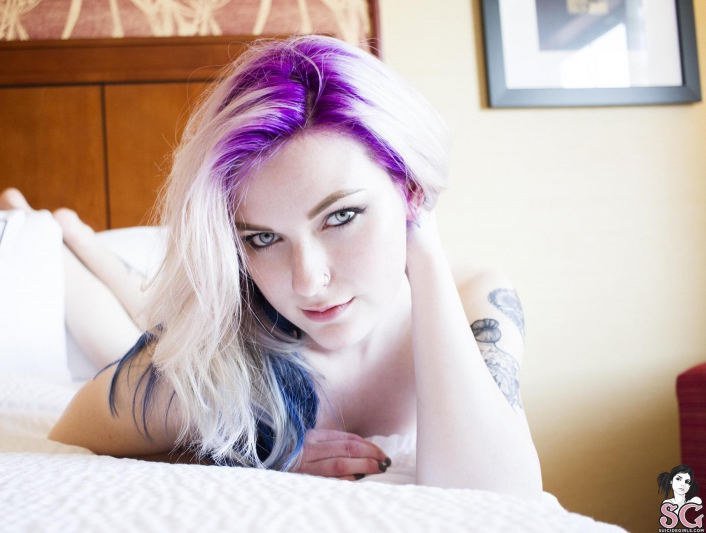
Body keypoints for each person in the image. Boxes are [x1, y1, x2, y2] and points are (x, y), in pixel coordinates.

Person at [34, 35, 541, 498]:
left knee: (143, 304)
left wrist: (424, 246)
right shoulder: (227, 343)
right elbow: (73, 432)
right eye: (263, 238)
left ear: (409, 188)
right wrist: (253, 456)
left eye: (341, 216)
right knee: (136, 318)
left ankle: (80, 237)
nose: (307, 282)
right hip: (200, 326)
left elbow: (499, 496)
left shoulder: (475, 297)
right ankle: (56, 236)